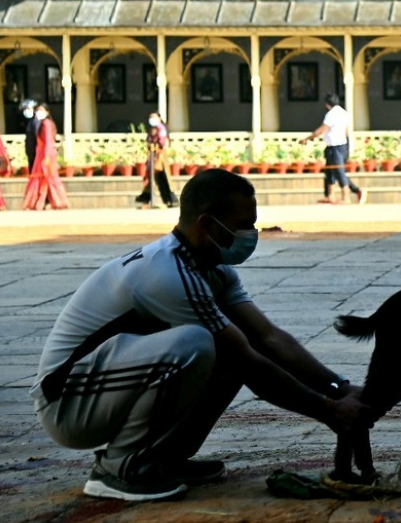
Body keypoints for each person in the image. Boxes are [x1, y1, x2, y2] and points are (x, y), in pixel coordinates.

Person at [29, 169, 366, 502]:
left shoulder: (214, 270)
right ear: (206, 224)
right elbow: (250, 363)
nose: (251, 234)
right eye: (243, 225)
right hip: (67, 404)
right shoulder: (168, 274)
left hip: (102, 390)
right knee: (199, 344)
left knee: (225, 351)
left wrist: (339, 387)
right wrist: (329, 410)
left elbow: (269, 338)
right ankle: (121, 468)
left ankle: (165, 458)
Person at [300, 93, 364, 204]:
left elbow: (321, 130)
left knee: (339, 171)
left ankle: (346, 197)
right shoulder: (344, 113)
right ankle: (331, 195)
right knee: (329, 171)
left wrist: (307, 138)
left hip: (335, 146)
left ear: (327, 104)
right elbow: (347, 132)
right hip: (341, 145)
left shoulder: (331, 114)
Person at [22, 103, 69, 210]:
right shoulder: (44, 123)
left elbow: (48, 141)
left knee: (50, 178)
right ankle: (39, 202)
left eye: (41, 110)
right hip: (42, 153)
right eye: (38, 110)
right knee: (41, 178)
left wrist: (47, 157)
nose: (38, 112)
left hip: (45, 154)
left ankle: (58, 201)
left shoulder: (46, 124)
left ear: (47, 112)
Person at [135, 112, 178, 208]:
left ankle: (171, 199)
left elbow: (162, 142)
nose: (152, 119)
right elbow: (148, 141)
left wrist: (156, 147)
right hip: (152, 155)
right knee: (152, 178)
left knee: (164, 178)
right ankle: (146, 199)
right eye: (151, 117)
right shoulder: (152, 129)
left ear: (159, 118)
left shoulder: (161, 129)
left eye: (154, 117)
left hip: (160, 156)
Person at [22, 98, 40, 170]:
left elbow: (37, 136)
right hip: (31, 152)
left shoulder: (36, 121)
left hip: (34, 151)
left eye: (28, 108)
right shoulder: (30, 121)